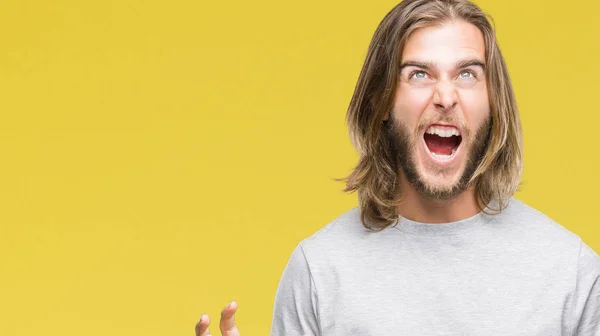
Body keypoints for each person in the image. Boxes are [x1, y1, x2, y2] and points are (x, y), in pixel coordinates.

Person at [195, 0, 600, 335]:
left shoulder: (572, 273)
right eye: (419, 74)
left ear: (493, 105)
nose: (445, 95)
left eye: (467, 73)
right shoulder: (319, 272)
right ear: (383, 102)